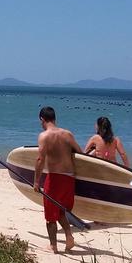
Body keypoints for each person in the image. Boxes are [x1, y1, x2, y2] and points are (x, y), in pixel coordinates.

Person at [34, 106, 82, 253]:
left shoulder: (44, 136)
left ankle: (53, 246)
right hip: (69, 178)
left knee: (50, 215)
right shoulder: (67, 134)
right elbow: (80, 154)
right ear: (54, 118)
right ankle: (68, 236)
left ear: (42, 119)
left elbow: (40, 159)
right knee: (61, 210)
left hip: (54, 178)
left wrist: (36, 181)